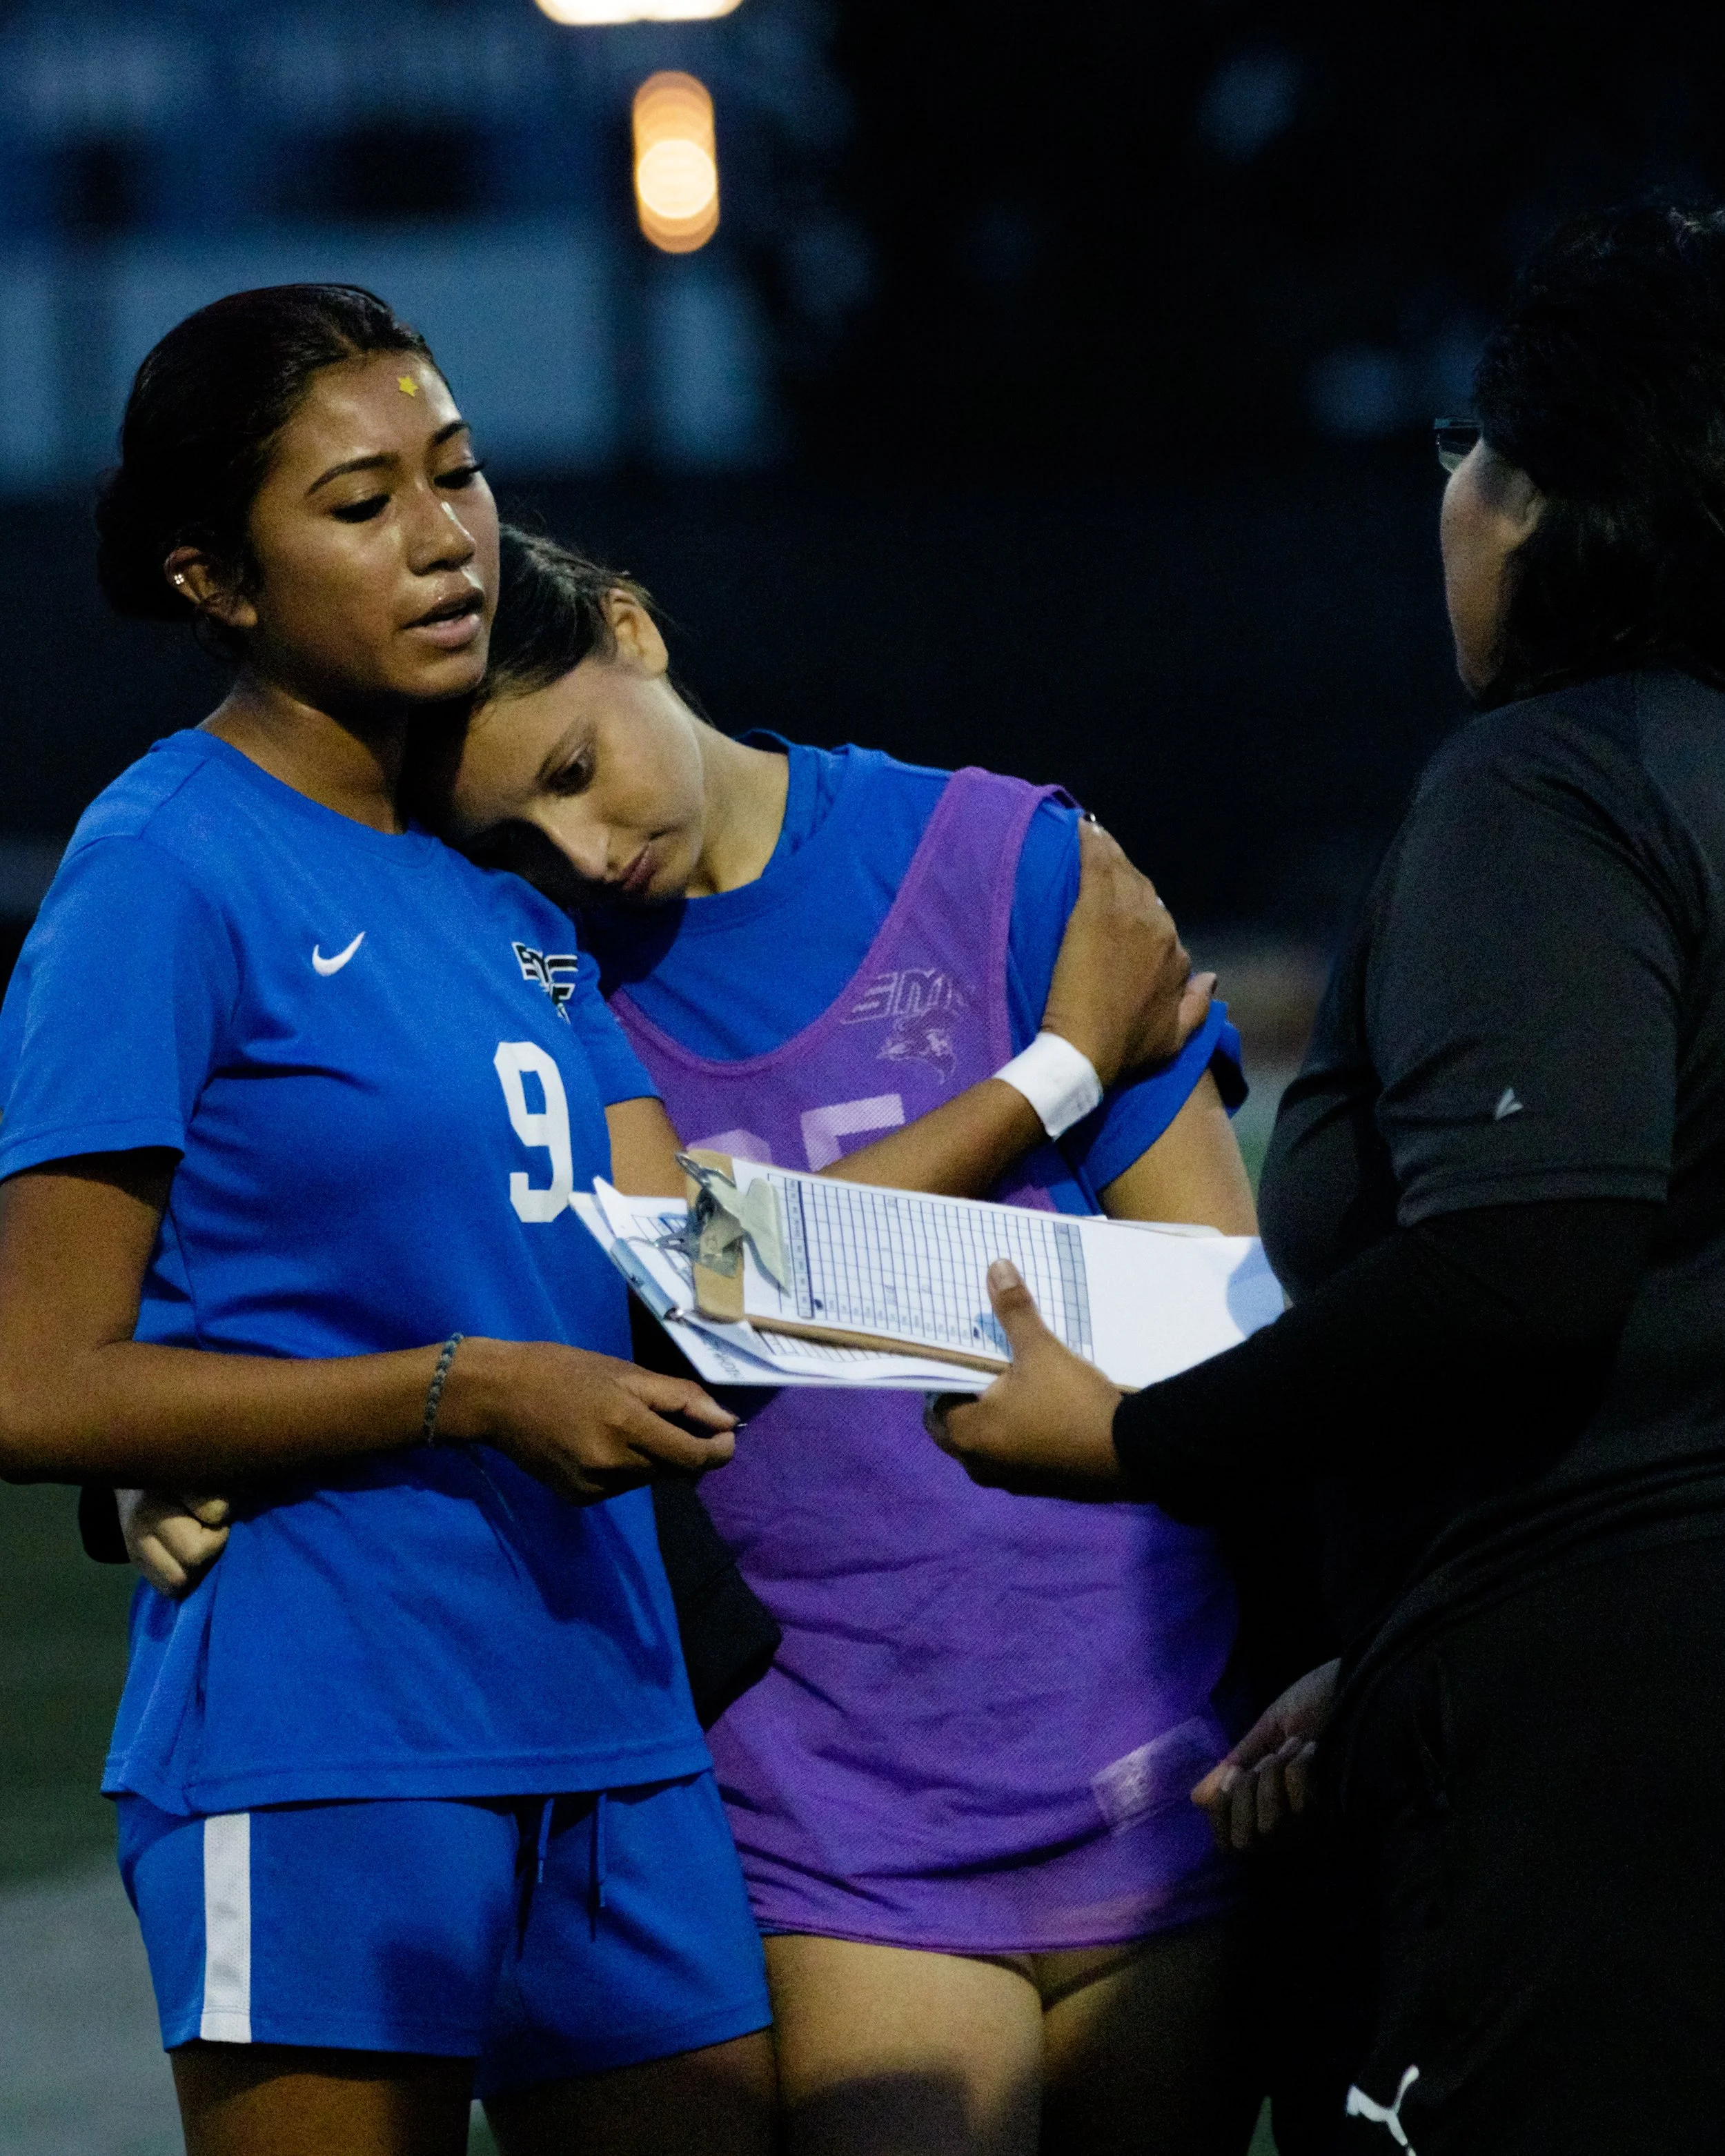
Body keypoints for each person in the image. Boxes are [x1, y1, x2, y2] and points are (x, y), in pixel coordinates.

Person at [930, 201, 1725, 2155]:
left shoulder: (1544, 782)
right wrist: (1381, 1643)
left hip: (1607, 1746)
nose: (1443, 490)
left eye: (1463, 445)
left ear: (1543, 495)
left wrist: (1128, 1436)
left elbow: (1519, 1265)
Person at [0, 284, 782, 2156]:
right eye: (359, 505)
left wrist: (1038, 1098)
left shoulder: (496, 875)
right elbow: (34, 1384)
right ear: (219, 582)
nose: (443, 538)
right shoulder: (162, 867)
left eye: (457, 472)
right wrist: (463, 1388)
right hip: (325, 1738)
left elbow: (696, 1274)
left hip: (618, 1721)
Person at [403, 526, 1265, 2156]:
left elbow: (1220, 1302)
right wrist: (1055, 1069)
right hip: (839, 1817)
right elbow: (709, 1282)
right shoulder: (541, 979)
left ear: (635, 631)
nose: (580, 850)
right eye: (516, 832)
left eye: (577, 768)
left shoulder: (998, 855)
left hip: (1155, 1754)